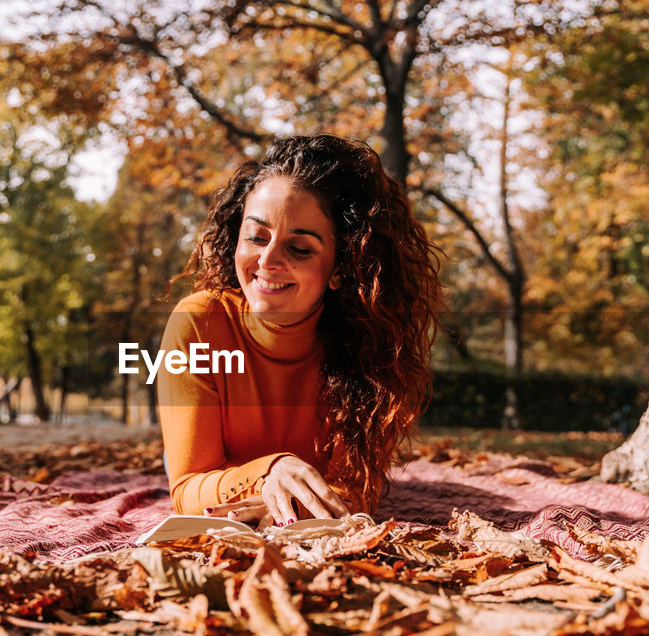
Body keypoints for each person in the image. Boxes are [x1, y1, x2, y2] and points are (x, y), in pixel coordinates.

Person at [156, 134, 442, 525]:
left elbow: (353, 492)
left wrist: (281, 506)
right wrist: (270, 473)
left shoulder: (375, 347)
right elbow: (187, 486)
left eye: (300, 248)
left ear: (342, 268)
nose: (268, 260)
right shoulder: (199, 324)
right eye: (256, 237)